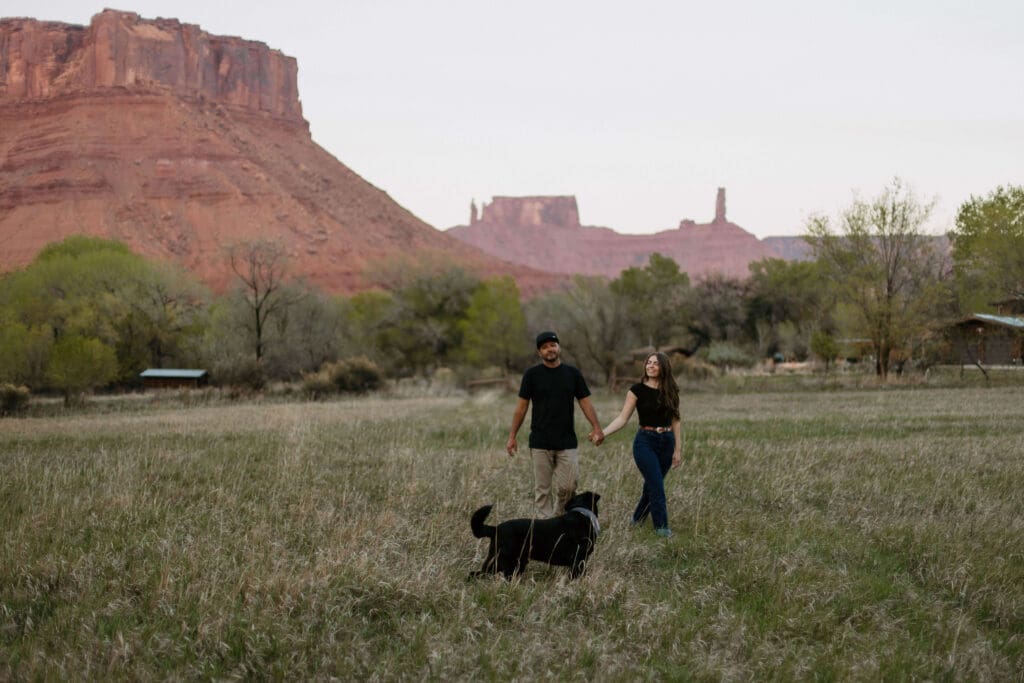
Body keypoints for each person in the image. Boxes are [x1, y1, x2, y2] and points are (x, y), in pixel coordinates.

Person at [507, 331, 604, 518]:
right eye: (544, 347)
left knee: (569, 486)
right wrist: (512, 436)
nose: (549, 349)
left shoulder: (572, 374)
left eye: (552, 345)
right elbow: (521, 408)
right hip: (540, 442)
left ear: (558, 347)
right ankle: (545, 524)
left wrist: (597, 428)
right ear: (539, 353)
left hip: (566, 441)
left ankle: (559, 518)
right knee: (542, 489)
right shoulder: (532, 375)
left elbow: (585, 402)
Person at [596, 351, 681, 537]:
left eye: (655, 363)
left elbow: (676, 421)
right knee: (657, 486)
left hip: (667, 442)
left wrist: (677, 449)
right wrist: (603, 433)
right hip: (645, 442)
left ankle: (637, 519)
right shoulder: (637, 390)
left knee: (651, 486)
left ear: (663, 367)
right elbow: (622, 418)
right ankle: (662, 529)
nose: (650, 366)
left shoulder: (671, 390)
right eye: (648, 363)